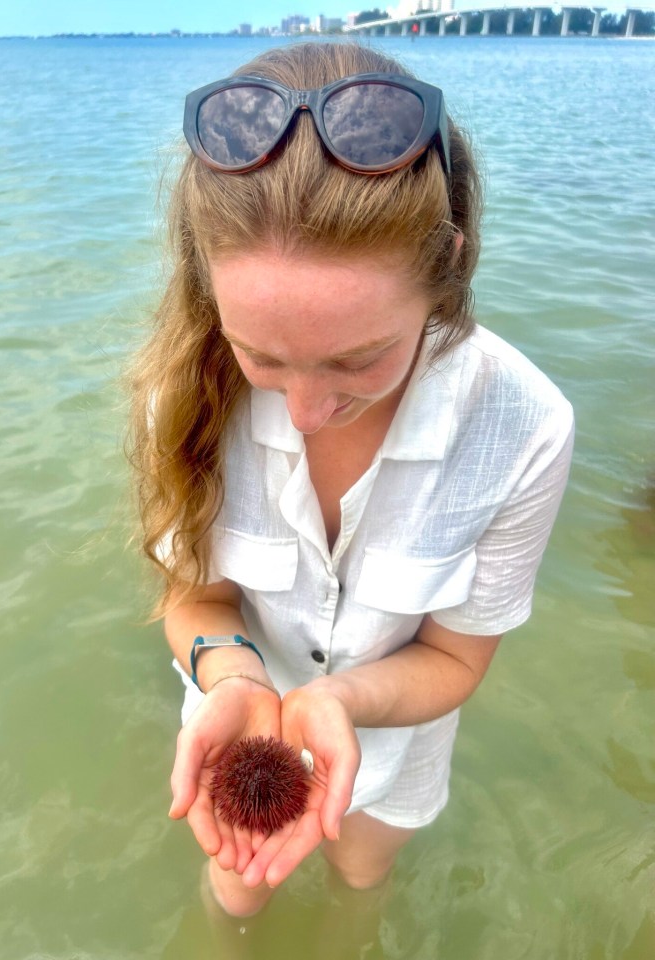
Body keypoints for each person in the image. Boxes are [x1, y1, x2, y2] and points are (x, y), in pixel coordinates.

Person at [128, 42, 574, 921]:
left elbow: (454, 656)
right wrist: (236, 682)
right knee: (235, 892)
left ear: (446, 265)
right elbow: (197, 600)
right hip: (234, 724)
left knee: (363, 881)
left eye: (357, 359)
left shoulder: (525, 426)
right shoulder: (178, 392)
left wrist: (338, 699)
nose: (302, 412)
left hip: (398, 741)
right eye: (260, 355)